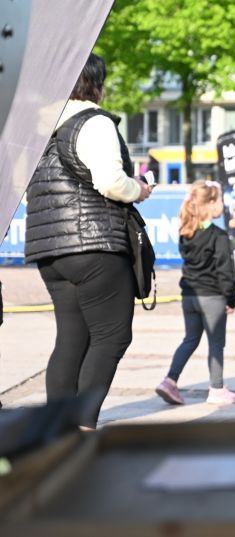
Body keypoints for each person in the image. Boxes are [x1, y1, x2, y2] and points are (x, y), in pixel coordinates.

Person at [23, 53, 153, 429]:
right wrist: (139, 189)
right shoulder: (93, 122)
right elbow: (111, 182)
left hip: (50, 250)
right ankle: (81, 427)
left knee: (71, 340)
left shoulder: (41, 132)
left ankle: (56, 431)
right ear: (95, 84)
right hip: (95, 246)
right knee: (112, 337)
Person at [156, 180, 235, 405]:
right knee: (216, 343)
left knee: (190, 339)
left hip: (189, 296)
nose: (222, 204)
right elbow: (225, 271)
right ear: (211, 203)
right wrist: (230, 298)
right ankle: (217, 389)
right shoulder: (218, 236)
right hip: (212, 297)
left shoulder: (186, 232)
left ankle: (169, 380)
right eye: (220, 200)